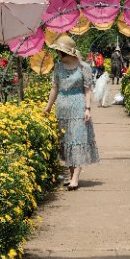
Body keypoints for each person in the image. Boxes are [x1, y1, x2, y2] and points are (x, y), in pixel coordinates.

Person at [42, 34, 99, 190]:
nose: (57, 55)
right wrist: (48, 106)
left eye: (58, 52)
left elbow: (88, 90)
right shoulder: (58, 67)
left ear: (65, 53)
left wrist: (88, 109)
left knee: (78, 140)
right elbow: (54, 88)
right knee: (66, 141)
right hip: (62, 107)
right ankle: (71, 175)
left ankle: (75, 178)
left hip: (78, 106)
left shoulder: (84, 68)